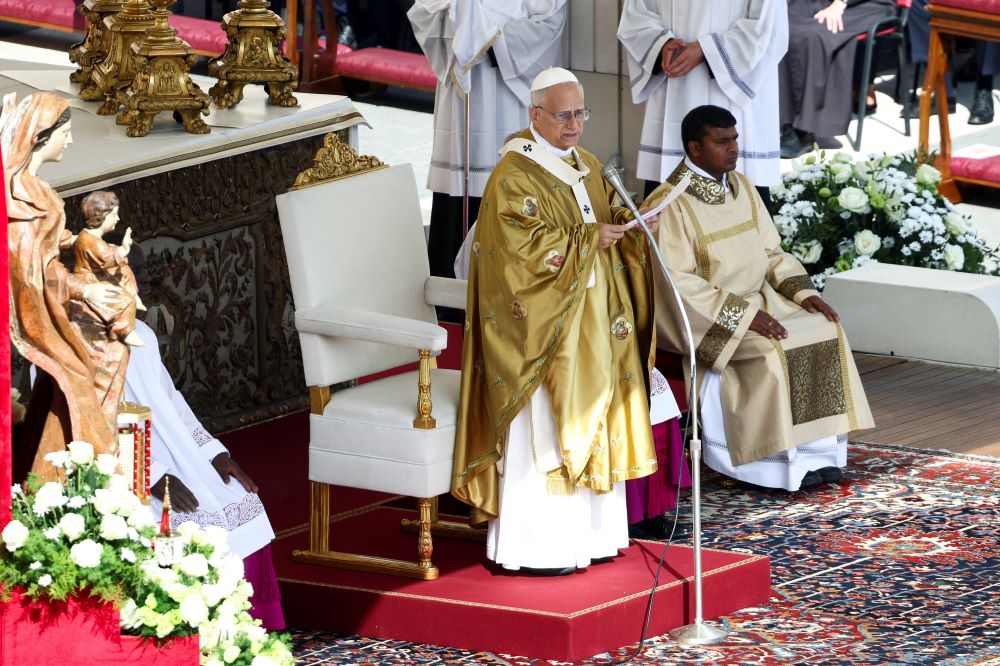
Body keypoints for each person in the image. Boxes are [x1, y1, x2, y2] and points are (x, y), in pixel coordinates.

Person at [452, 67, 660, 575]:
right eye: (563, 115)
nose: (574, 124)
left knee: (597, 411)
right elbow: (514, 251)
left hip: (593, 319)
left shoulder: (586, 163)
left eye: (580, 113)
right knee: (547, 426)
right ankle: (539, 546)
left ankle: (592, 538)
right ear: (535, 115)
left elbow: (606, 215)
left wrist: (634, 224)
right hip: (541, 331)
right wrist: (590, 240)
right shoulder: (514, 173)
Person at [645, 105, 874, 492]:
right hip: (711, 314)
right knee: (774, 350)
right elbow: (675, 283)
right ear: (694, 149)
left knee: (825, 330)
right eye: (722, 142)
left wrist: (804, 293)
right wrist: (742, 316)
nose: (733, 149)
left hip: (762, 297)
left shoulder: (743, 187)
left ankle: (817, 455)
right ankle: (769, 466)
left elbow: (771, 253)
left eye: (734, 139)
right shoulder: (670, 204)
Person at [124, 249, 284, 629]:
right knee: (186, 523)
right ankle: (204, 633)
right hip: (130, 467)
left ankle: (257, 630)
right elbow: (97, 424)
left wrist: (214, 453)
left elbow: (173, 404)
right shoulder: (87, 345)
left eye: (146, 269)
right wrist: (151, 475)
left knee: (241, 498)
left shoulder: (141, 332)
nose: (148, 279)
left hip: (174, 451)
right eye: (137, 271)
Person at [408, 0, 567, 309]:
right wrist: (459, 24)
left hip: (510, 96)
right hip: (460, 109)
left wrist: (486, 36)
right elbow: (422, 11)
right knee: (456, 211)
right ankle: (447, 308)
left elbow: (550, 22)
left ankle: (511, 305)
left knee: (514, 188)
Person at [3, 92, 126, 481]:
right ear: (43, 135)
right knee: (76, 375)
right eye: (66, 133)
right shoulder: (22, 198)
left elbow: (44, 249)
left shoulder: (36, 192)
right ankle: (92, 472)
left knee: (68, 379)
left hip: (49, 301)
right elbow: (28, 270)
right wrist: (83, 290)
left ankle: (47, 473)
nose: (70, 142)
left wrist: (81, 241)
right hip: (31, 306)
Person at [617, 0, 788, 208]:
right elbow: (637, 13)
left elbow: (767, 25)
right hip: (673, 89)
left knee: (740, 207)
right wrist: (661, 45)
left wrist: (707, 50)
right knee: (665, 215)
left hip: (731, 95)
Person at [779, 0, 895, 158]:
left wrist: (840, 3)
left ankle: (804, 129)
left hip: (868, 5)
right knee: (781, 19)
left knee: (812, 33)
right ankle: (781, 120)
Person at [73, 190, 145, 348]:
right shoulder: (89, 240)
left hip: (100, 272)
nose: (117, 219)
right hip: (90, 279)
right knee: (123, 298)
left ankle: (134, 295)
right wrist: (123, 249)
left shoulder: (92, 239)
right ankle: (125, 329)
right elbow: (106, 259)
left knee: (125, 272)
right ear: (100, 216)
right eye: (114, 215)